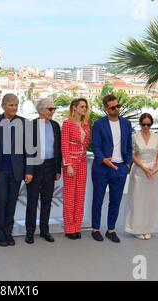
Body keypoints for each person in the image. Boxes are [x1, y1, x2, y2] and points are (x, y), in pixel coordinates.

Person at [0, 93, 31, 247]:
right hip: (0, 170)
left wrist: (29, 171)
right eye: (11, 105)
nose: (14, 108)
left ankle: (8, 232)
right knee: (1, 201)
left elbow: (29, 149)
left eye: (16, 105)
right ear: (3, 106)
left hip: (17, 170)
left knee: (12, 202)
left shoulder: (24, 123)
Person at [91, 94, 132, 243]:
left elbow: (128, 145)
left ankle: (111, 229)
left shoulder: (126, 124)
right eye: (113, 107)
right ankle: (95, 229)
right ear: (106, 109)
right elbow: (95, 145)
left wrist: (127, 164)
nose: (116, 109)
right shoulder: (98, 124)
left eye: (118, 106)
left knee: (115, 200)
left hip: (120, 168)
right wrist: (103, 159)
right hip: (102, 168)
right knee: (98, 199)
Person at [24, 99, 61, 244]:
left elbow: (58, 150)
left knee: (47, 200)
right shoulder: (31, 126)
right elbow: (26, 150)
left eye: (54, 109)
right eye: (50, 109)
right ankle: (30, 232)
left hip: (51, 167)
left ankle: (44, 231)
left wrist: (58, 170)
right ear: (41, 110)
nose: (53, 112)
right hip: (34, 167)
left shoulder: (55, 125)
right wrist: (28, 171)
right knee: (32, 201)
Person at [124, 113, 158, 240]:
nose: (146, 126)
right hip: (139, 172)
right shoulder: (135, 136)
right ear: (140, 124)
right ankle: (137, 229)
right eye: (143, 124)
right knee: (137, 200)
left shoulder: (157, 137)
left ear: (151, 124)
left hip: (153, 173)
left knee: (150, 201)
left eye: (149, 124)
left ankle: (148, 228)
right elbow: (133, 155)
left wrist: (156, 168)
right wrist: (144, 168)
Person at [61, 98, 90, 240]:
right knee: (69, 196)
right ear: (74, 107)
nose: (84, 109)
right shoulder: (67, 123)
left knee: (80, 195)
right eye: (82, 106)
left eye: (85, 107)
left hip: (83, 161)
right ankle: (69, 227)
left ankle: (77, 226)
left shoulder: (85, 124)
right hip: (71, 163)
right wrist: (68, 164)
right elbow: (64, 145)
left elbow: (85, 144)